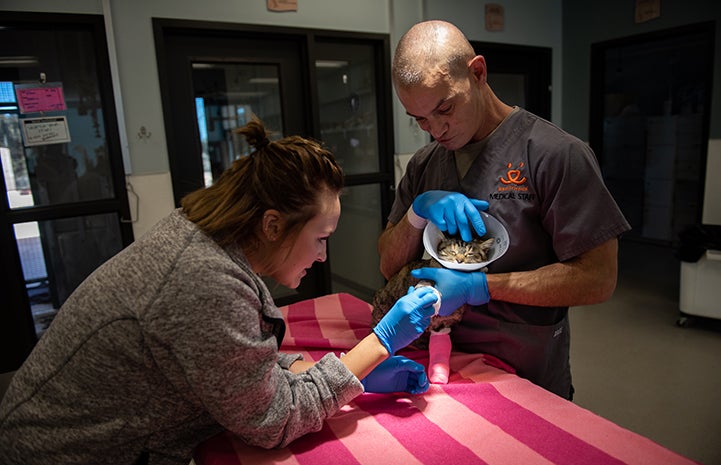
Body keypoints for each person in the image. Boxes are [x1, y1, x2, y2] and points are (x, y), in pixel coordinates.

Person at [0, 119, 439, 465]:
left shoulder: (205, 242)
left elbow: (231, 366)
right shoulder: (204, 282)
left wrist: (341, 371)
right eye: (321, 238)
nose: (323, 256)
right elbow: (274, 421)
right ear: (272, 225)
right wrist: (376, 346)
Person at [378, 20, 631, 399]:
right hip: (436, 365)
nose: (436, 129)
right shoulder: (424, 165)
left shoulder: (555, 155)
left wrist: (481, 287)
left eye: (444, 108)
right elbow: (387, 263)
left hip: (524, 366)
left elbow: (598, 278)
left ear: (477, 72)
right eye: (421, 120)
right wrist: (417, 212)